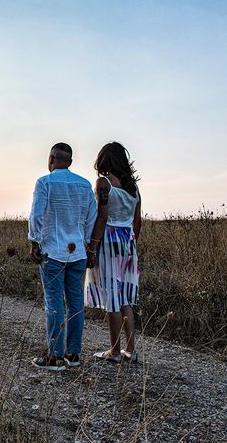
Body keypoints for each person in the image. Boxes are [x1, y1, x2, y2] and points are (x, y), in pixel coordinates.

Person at [28, 143, 97, 371]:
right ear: (70, 161)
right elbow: (91, 217)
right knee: (75, 301)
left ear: (51, 159)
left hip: (53, 251)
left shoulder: (45, 182)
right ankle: (73, 354)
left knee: (54, 301)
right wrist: (85, 242)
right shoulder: (84, 184)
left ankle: (55, 357)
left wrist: (34, 241)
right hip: (77, 252)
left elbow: (37, 214)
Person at [85, 142, 142, 363]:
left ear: (103, 160)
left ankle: (114, 351)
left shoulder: (104, 183)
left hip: (109, 239)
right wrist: (131, 243)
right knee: (125, 296)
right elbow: (138, 221)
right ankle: (131, 349)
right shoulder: (134, 187)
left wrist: (92, 246)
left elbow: (102, 216)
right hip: (128, 240)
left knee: (112, 296)